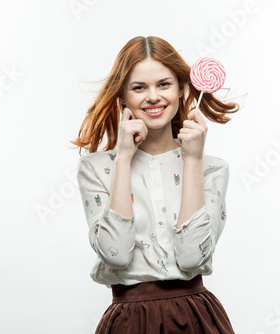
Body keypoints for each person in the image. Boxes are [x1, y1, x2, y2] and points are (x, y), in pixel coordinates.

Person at [70, 36, 240, 333]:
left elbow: (191, 258)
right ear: (122, 96)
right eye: (139, 87)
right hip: (128, 323)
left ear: (182, 89)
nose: (153, 96)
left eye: (164, 84)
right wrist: (124, 157)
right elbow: (115, 254)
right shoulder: (95, 169)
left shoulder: (212, 168)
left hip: (196, 317)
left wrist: (192, 160)